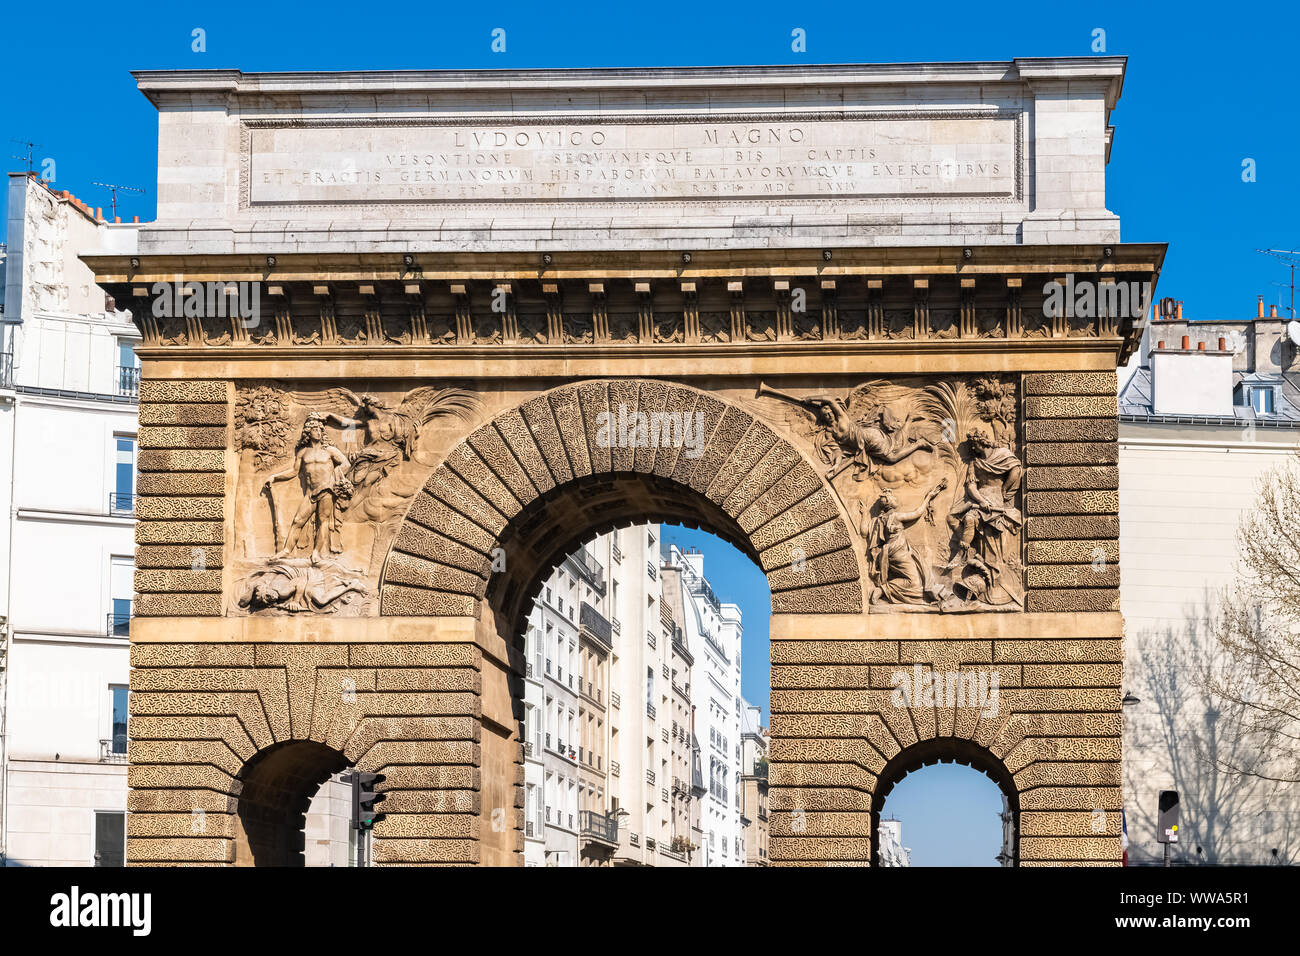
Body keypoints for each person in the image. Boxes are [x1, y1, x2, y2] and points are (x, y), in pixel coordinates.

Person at [262, 413, 352, 561]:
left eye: (320, 429)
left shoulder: (330, 450)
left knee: (323, 521)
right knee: (298, 520)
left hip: (326, 491)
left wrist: (333, 478)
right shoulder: (303, 453)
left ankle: (316, 552)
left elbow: (346, 464)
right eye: (315, 429)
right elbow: (294, 471)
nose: (318, 431)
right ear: (308, 432)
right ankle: (286, 550)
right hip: (310, 493)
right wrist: (274, 477)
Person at [862, 480, 947, 605]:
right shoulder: (896, 516)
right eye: (895, 499)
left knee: (915, 577)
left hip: (890, 553)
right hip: (899, 552)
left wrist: (864, 514)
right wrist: (929, 497)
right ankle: (882, 590)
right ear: (891, 503)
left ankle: (884, 589)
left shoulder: (877, 520)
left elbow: (864, 533)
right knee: (914, 583)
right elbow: (917, 513)